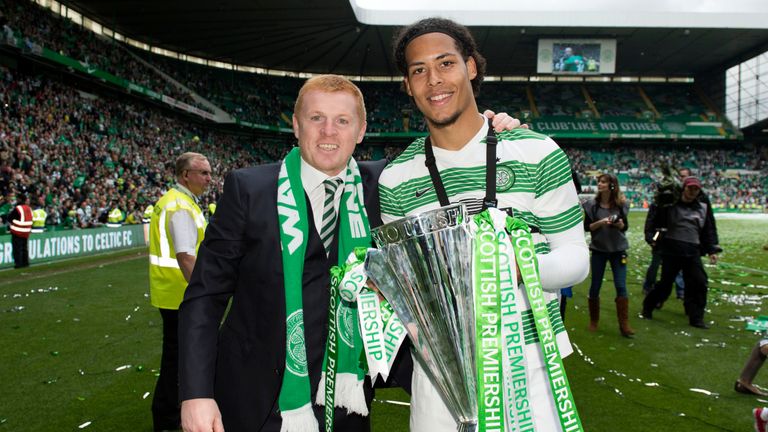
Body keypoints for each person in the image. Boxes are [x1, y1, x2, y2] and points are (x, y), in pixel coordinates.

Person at [381, 18, 590, 432]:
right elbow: (409, 285)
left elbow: (576, 258)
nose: (434, 80)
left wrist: (516, 268)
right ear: (407, 84)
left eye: (446, 64)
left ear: (471, 67)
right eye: (418, 70)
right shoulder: (396, 178)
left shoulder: (535, 152)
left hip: (528, 365)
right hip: (440, 378)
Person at [177, 75, 389, 432]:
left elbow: (449, 156)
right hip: (257, 397)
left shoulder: (382, 184)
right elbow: (206, 295)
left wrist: (497, 132)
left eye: (342, 121)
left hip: (344, 399)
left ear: (361, 129)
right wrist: (195, 393)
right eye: (316, 118)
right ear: (295, 124)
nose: (328, 132)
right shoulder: (249, 189)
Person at [148, 152, 212, 431]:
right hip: (181, 295)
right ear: (186, 175)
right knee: (178, 361)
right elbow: (186, 256)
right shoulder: (181, 206)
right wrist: (204, 292)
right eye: (204, 173)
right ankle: (167, 417)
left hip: (172, 292)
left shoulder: (177, 202)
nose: (209, 179)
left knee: (176, 358)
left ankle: (168, 414)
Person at [641, 177, 721, 329]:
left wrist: (712, 249)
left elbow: (708, 228)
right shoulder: (670, 204)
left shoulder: (702, 207)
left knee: (699, 282)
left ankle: (696, 318)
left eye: (696, 189)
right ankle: (648, 307)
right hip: (672, 249)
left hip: (693, 250)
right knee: (665, 284)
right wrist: (653, 239)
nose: (692, 191)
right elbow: (656, 221)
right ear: (684, 188)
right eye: (690, 188)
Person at [582, 174, 634, 337]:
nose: (599, 184)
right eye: (599, 181)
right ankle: (594, 321)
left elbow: (624, 227)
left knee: (621, 286)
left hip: (618, 250)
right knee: (595, 286)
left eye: (603, 182)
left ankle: (624, 325)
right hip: (599, 250)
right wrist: (602, 222)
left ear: (612, 185)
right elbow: (587, 227)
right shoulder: (592, 205)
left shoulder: (621, 205)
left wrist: (619, 225)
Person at [8, 194, 32, 269]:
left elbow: (10, 218)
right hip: (26, 232)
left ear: (19, 199)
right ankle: (25, 263)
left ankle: (18, 264)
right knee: (24, 248)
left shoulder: (18, 208)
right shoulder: (29, 208)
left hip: (17, 231)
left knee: (17, 249)